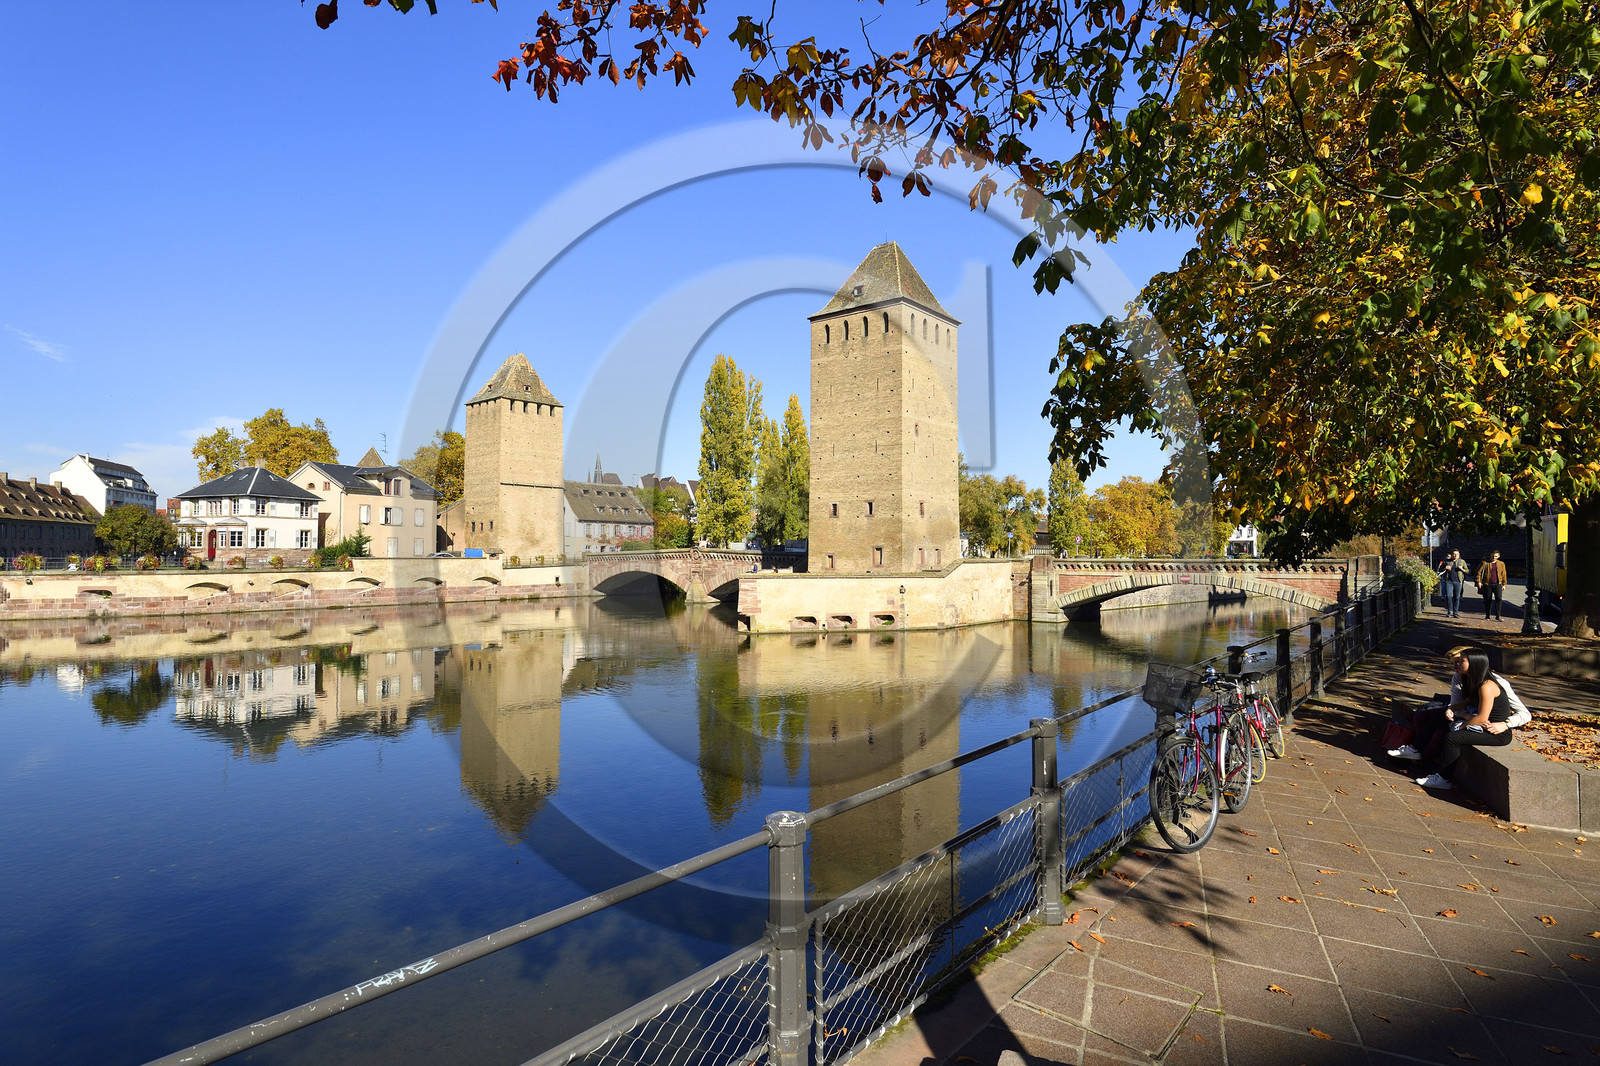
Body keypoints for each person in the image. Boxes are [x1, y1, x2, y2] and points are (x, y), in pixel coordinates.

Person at [1389, 648, 1527, 789]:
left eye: (1461, 661)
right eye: (1457, 661)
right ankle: (1414, 750)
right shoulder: (1472, 680)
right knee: (1438, 718)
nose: (1457, 665)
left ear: (1474, 664)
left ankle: (1443, 778)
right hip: (1480, 725)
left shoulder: (1487, 685)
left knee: (1453, 738)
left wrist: (1461, 726)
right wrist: (1453, 709)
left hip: (1495, 732)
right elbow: (1467, 702)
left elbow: (1481, 717)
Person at [1476, 551, 1507, 621]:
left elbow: (1504, 574)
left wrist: (1504, 584)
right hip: (1487, 584)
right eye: (1493, 556)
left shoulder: (1501, 564)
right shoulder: (1485, 563)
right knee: (1488, 600)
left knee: (1499, 599)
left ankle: (1498, 616)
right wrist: (1479, 582)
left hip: (1498, 583)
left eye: (1495, 556)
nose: (1494, 557)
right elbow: (1479, 572)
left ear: (1498, 556)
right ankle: (1487, 615)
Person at [1437, 549, 1469, 617]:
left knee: (1457, 597)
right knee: (1448, 596)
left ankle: (1455, 612)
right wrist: (1445, 568)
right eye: (1454, 554)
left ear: (1459, 555)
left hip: (1458, 581)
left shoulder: (1462, 562)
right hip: (1449, 581)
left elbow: (1467, 571)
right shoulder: (1447, 561)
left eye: (1456, 554)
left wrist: (1462, 569)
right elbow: (1440, 569)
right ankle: (1449, 611)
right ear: (1451, 555)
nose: (1455, 556)